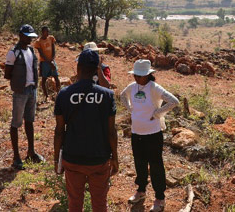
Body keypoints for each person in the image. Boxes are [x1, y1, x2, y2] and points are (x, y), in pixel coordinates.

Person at [54, 49, 119, 212]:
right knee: (99, 203)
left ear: (78, 68)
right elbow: (112, 132)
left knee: (75, 204)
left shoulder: (64, 94)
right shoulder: (107, 95)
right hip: (99, 159)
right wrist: (115, 158)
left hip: (72, 157)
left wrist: (57, 159)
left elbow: (59, 131)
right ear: (97, 69)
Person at [119, 59, 179, 212]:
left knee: (156, 165)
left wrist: (158, 113)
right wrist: (130, 108)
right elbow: (121, 96)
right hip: (136, 132)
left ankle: (160, 198)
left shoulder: (154, 87)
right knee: (139, 162)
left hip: (152, 133)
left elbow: (174, 101)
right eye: (136, 75)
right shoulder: (132, 87)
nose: (137, 78)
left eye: (141, 75)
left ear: (148, 75)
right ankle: (141, 191)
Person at [4, 24, 44, 169]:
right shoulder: (13, 52)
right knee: (16, 123)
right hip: (20, 92)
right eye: (28, 37)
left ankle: (31, 152)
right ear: (21, 36)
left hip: (32, 90)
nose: (30, 40)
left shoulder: (31, 50)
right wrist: (19, 81)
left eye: (31, 37)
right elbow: (7, 74)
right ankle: (16, 157)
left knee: (30, 121)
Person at [34, 26, 61, 101]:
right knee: (44, 79)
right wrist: (49, 62)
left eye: (48, 31)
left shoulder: (51, 38)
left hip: (51, 60)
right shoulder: (38, 42)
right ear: (42, 32)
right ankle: (46, 96)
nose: (48, 33)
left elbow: (53, 49)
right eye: (46, 32)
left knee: (56, 77)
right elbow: (41, 53)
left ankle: (58, 94)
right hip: (44, 62)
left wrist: (52, 60)